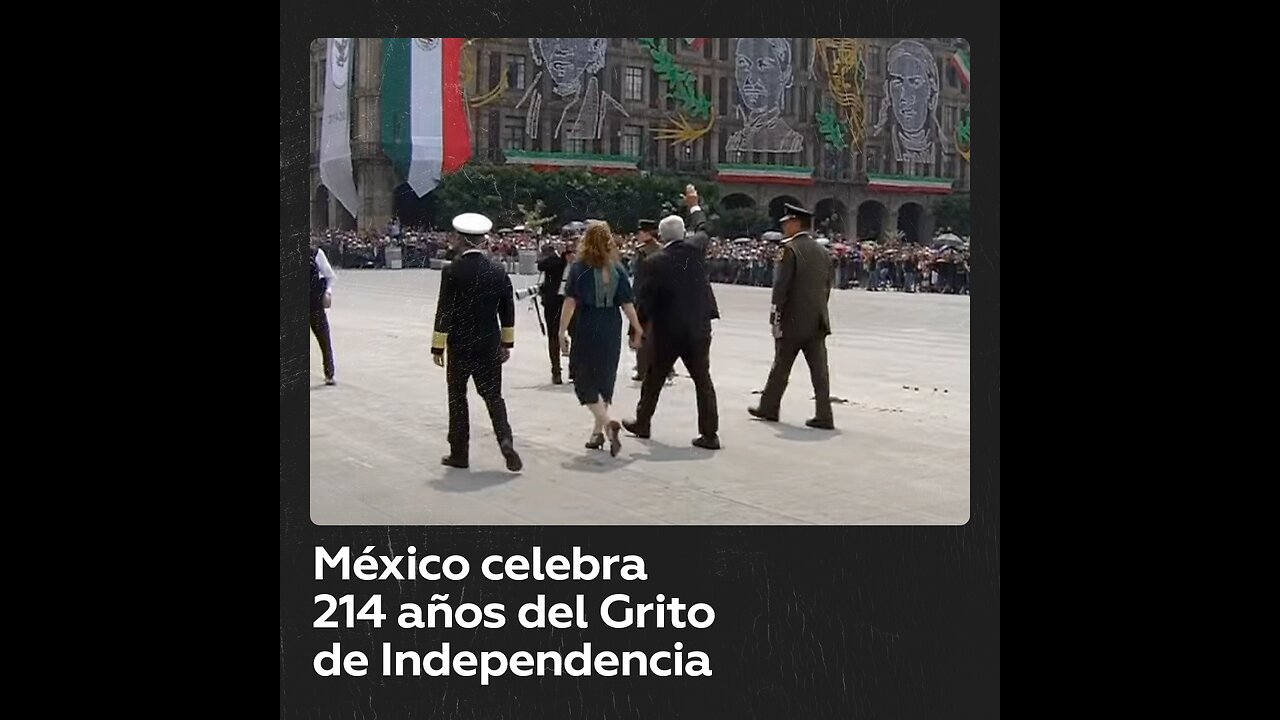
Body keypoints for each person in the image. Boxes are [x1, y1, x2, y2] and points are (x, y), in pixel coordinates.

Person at [431, 213, 523, 472]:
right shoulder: (498, 270)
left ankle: (459, 453)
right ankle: (505, 440)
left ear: (461, 239)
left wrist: (438, 345)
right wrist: (507, 344)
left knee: (457, 397)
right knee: (494, 396)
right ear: (483, 240)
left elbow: (444, 309)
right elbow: (508, 310)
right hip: (489, 342)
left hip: (460, 344)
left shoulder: (452, 270)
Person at [622, 213, 722, 450]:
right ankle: (710, 434)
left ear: (661, 235)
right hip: (698, 327)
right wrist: (695, 205)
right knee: (703, 380)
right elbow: (704, 229)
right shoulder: (696, 250)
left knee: (654, 377)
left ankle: (643, 422)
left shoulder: (655, 261)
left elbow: (644, 302)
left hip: (668, 331)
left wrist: (636, 330)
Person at [558, 223, 644, 456]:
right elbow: (627, 302)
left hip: (587, 324)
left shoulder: (579, 268)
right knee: (605, 377)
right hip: (611, 324)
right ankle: (597, 434)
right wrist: (637, 328)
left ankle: (606, 423)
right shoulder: (617, 268)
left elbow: (570, 301)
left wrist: (561, 331)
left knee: (583, 377)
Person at [749, 204, 835, 429]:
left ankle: (769, 407)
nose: (784, 226)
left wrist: (775, 316)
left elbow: (780, 287)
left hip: (792, 321)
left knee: (781, 366)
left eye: (787, 222)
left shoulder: (788, 249)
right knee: (819, 372)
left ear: (797, 223)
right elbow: (827, 286)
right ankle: (825, 414)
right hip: (817, 319)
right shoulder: (823, 251)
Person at [629, 219, 661, 382]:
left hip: (643, 298)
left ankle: (642, 370)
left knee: (639, 334)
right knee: (659, 334)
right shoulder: (662, 249)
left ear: (647, 233)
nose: (637, 235)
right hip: (660, 298)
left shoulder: (641, 251)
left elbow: (639, 277)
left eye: (640, 232)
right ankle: (666, 369)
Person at [536, 242, 570, 384]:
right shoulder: (554, 260)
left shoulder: (579, 262)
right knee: (553, 336)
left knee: (576, 335)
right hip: (553, 303)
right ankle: (556, 371)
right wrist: (558, 255)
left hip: (571, 301)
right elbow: (541, 265)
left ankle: (573, 369)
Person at [309, 238, 337, 386]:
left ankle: (329, 373)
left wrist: (328, 292)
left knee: (324, 340)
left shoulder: (316, 254)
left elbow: (330, 276)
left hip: (314, 303)